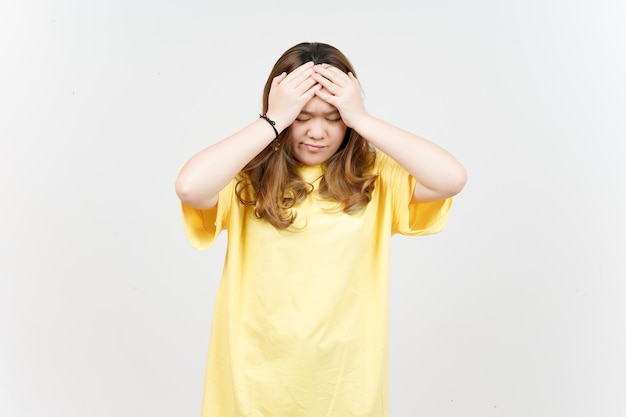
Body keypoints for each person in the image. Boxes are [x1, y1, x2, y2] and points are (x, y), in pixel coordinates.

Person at [175, 41, 466, 417]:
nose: (317, 132)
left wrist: (361, 118)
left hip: (345, 386)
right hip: (252, 384)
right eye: (302, 116)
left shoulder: (373, 177)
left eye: (332, 117)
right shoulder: (245, 179)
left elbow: (451, 178)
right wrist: (272, 120)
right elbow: (190, 186)